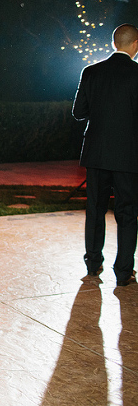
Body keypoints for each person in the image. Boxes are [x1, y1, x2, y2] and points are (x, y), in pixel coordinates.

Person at [72, 23, 138, 286]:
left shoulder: (91, 72)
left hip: (97, 154)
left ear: (115, 43)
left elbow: (78, 112)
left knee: (95, 210)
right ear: (135, 44)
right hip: (128, 156)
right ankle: (123, 272)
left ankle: (92, 264)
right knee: (127, 212)